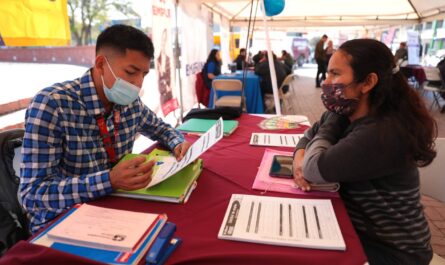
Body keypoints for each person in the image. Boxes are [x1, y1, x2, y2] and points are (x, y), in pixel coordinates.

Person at [20, 24, 191, 234]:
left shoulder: (129, 103)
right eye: (130, 72)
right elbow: (32, 194)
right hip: (62, 219)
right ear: (100, 63)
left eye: (144, 74)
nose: (137, 84)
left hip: (115, 205)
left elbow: (161, 129)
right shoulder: (52, 105)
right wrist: (108, 180)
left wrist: (177, 142)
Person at [292, 39, 436, 265]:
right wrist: (299, 158)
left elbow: (312, 168)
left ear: (368, 82)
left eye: (335, 74)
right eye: (327, 74)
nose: (327, 82)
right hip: (359, 231)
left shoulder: (381, 133)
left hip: (392, 252)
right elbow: (308, 138)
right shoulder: (351, 112)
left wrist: (328, 128)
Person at [157, 28, 172, 105]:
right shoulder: (158, 59)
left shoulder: (169, 59)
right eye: (163, 39)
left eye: (165, 40)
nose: (164, 42)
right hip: (162, 92)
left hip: (169, 92)